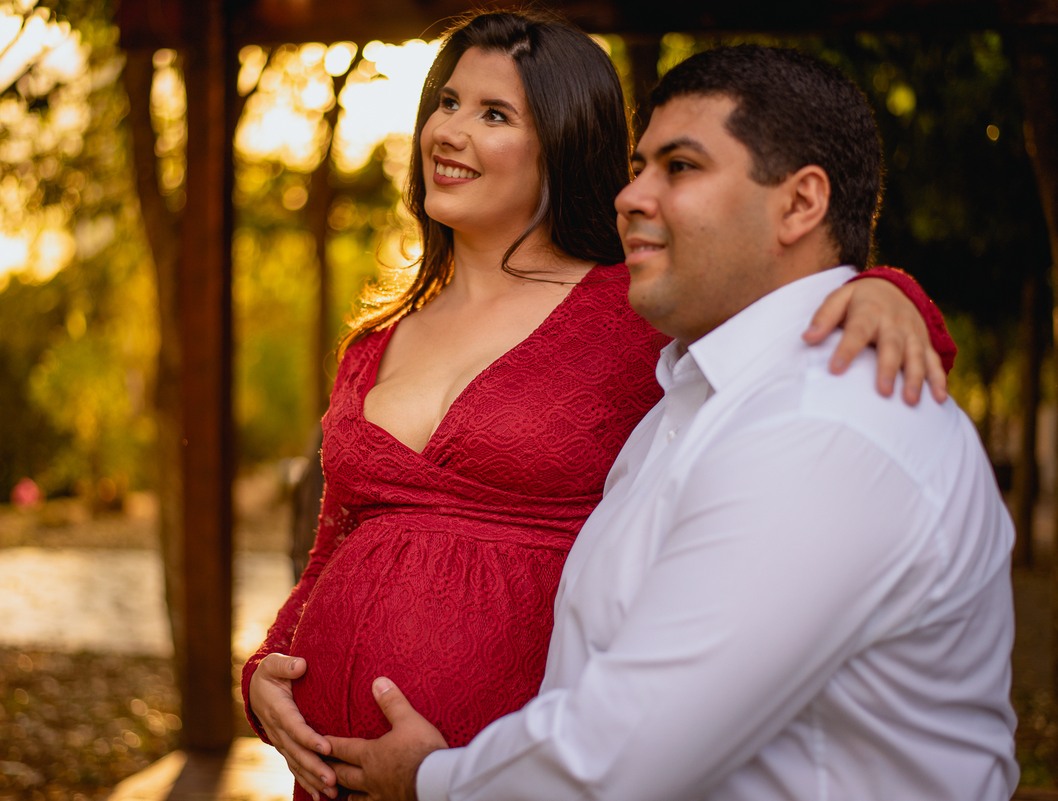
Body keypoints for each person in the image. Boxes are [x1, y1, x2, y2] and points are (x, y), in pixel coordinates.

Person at [243, 16, 957, 801]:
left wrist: (887, 292)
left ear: (563, 145)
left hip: (513, 773)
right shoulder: (375, 338)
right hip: (336, 779)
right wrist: (265, 677)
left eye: (493, 114)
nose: (448, 130)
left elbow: (779, 317)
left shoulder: (637, 307)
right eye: (446, 102)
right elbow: (334, 545)